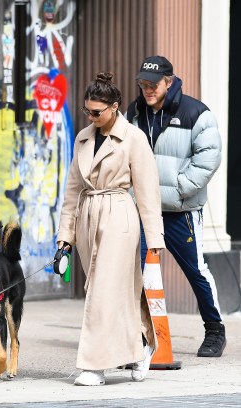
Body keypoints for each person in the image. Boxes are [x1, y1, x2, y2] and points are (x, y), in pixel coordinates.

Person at [56, 72, 165, 386]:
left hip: (119, 215)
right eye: (87, 111)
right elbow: (73, 190)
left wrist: (154, 237)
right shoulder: (83, 137)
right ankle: (140, 346)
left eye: (97, 112)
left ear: (115, 107)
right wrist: (65, 236)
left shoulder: (133, 138)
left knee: (104, 292)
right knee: (112, 293)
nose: (91, 117)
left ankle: (94, 366)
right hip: (89, 216)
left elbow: (148, 190)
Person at [127, 55, 226, 357]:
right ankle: (144, 334)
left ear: (169, 82)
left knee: (196, 271)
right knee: (139, 273)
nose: (147, 89)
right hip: (144, 211)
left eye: (153, 84)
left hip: (181, 212)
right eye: (143, 83)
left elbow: (209, 156)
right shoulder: (134, 112)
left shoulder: (196, 112)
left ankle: (214, 331)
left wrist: (180, 190)